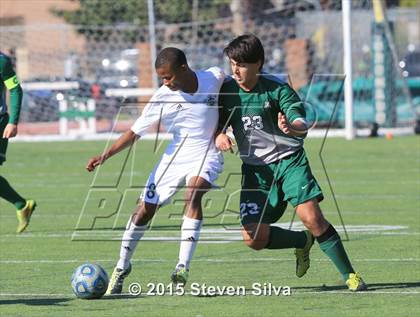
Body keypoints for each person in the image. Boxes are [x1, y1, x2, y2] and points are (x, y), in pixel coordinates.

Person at [215, 34, 367, 291]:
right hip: (255, 171)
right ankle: (301, 242)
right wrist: (220, 135)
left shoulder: (278, 88)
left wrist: (292, 128)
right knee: (253, 238)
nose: (235, 70)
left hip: (289, 162)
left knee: (312, 218)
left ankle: (350, 275)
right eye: (232, 63)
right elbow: (218, 124)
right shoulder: (227, 91)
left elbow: (300, 122)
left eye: (241, 64)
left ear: (258, 63)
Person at [86, 47, 225, 294]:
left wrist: (227, 129)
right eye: (161, 78)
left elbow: (238, 89)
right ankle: (122, 266)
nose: (165, 82)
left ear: (184, 68)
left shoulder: (214, 77)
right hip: (175, 156)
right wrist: (105, 155)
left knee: (193, 194)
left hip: (206, 152)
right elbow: (134, 132)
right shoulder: (163, 97)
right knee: (143, 211)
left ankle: (182, 266)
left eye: (168, 76)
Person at [0, 51, 36, 233]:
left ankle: (21, 205)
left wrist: (13, 121)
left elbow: (14, 89)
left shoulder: (1, 61)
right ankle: (21, 205)